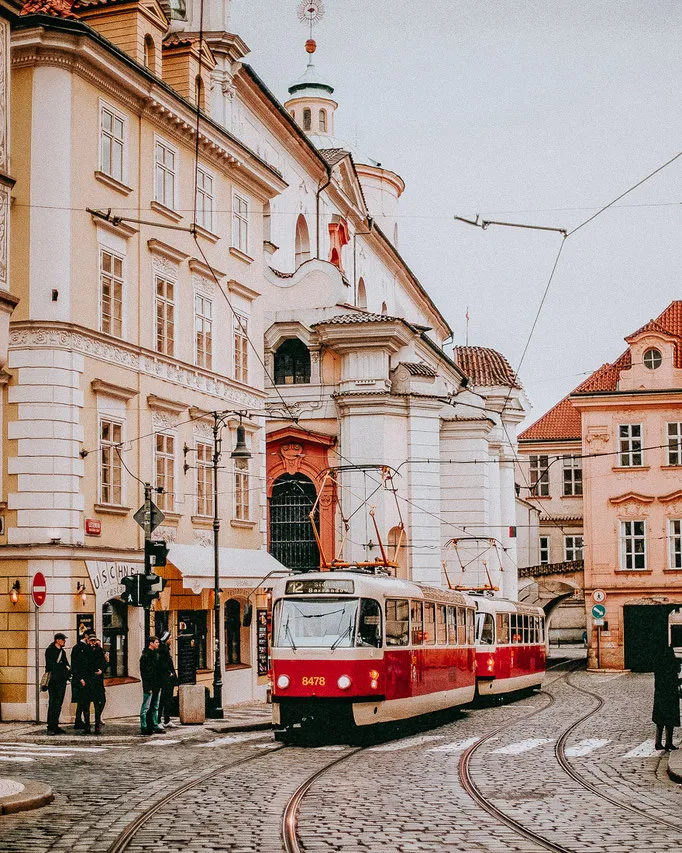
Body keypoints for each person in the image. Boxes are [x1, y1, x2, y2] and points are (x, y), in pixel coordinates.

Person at [653, 645, 682, 751]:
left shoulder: (659, 667)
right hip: (671, 696)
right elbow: (674, 681)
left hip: (660, 696)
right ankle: (668, 742)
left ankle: (658, 742)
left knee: (660, 721)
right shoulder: (672, 666)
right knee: (670, 721)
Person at [44, 632, 70, 735]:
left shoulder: (62, 652)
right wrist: (63, 667)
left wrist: (66, 668)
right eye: (63, 640)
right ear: (57, 640)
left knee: (59, 704)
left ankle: (55, 725)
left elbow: (66, 664)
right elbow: (51, 666)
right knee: (53, 703)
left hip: (62, 681)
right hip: (53, 681)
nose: (64, 641)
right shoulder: (50, 651)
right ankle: (51, 726)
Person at [139, 636, 164, 735]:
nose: (158, 644)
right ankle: (144, 726)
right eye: (156, 642)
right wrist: (147, 686)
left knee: (155, 706)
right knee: (146, 707)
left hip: (157, 684)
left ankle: (154, 724)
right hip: (149, 685)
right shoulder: (145, 656)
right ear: (151, 643)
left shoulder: (156, 655)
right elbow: (144, 673)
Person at [71, 630, 94, 733]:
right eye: (90, 638)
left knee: (82, 701)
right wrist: (80, 678)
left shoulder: (88, 647)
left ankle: (78, 721)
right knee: (84, 701)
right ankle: (85, 724)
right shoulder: (78, 648)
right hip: (80, 679)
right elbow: (75, 665)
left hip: (86, 679)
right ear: (86, 637)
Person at [157, 631, 178, 728]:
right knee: (163, 699)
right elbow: (163, 664)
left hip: (167, 679)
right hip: (165, 679)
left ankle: (166, 719)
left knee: (167, 700)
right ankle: (160, 720)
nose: (171, 640)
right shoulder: (163, 651)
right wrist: (169, 673)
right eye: (169, 638)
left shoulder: (165, 650)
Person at [89, 635, 108, 735]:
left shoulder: (100, 650)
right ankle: (90, 725)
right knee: (88, 704)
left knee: (102, 701)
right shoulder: (86, 651)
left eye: (94, 640)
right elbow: (85, 664)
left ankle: (97, 722)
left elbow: (105, 663)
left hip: (99, 681)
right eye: (91, 640)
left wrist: (102, 670)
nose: (93, 642)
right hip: (90, 680)